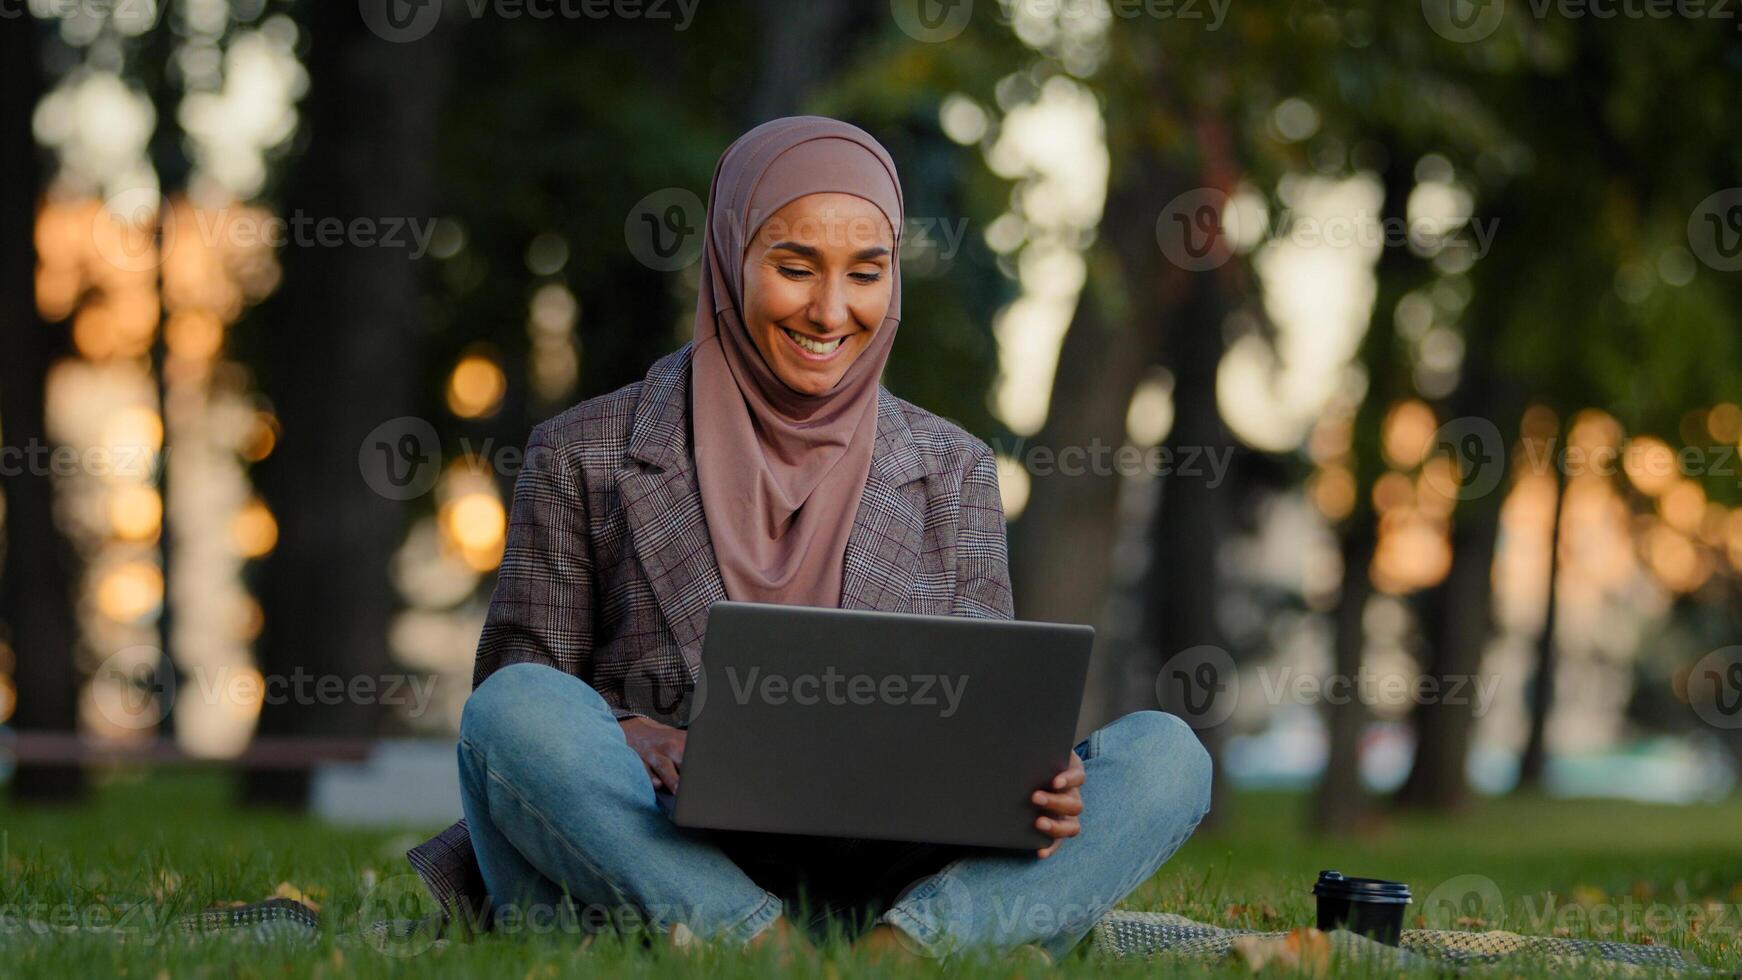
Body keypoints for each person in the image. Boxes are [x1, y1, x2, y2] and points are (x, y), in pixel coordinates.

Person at [405, 115, 1211, 961]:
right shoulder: (586, 452)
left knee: (1168, 758)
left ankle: (902, 950)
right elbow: (518, 694)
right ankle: (769, 947)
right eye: (795, 269)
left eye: (867, 273)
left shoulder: (956, 469)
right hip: (657, 867)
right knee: (512, 712)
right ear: (728, 259)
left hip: (891, 876)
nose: (832, 311)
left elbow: (984, 720)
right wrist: (622, 729)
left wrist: (1038, 785)